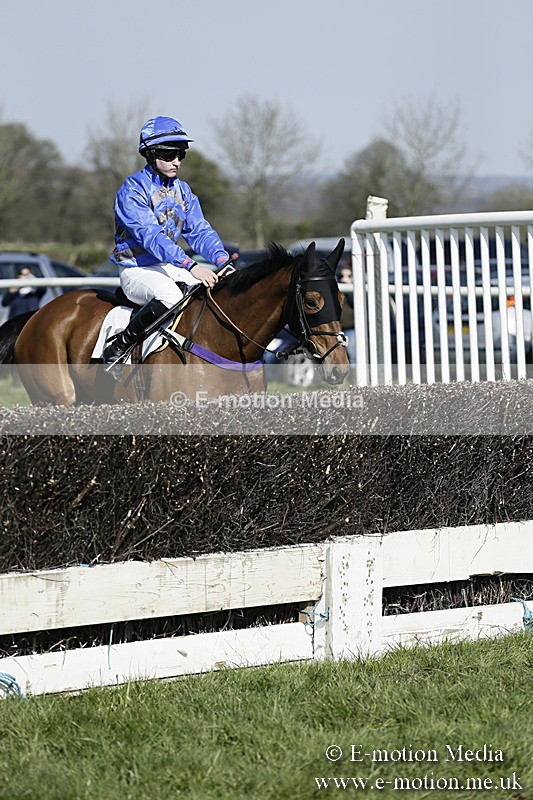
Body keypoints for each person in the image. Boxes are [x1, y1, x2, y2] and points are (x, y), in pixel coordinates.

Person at [103, 115, 233, 376]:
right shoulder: (132, 190)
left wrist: (222, 261)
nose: (177, 161)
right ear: (150, 154)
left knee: (205, 293)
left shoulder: (183, 191)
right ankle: (119, 347)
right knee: (171, 296)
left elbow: (199, 230)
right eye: (169, 154)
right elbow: (151, 236)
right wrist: (191, 265)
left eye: (181, 154)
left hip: (167, 267)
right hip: (136, 269)